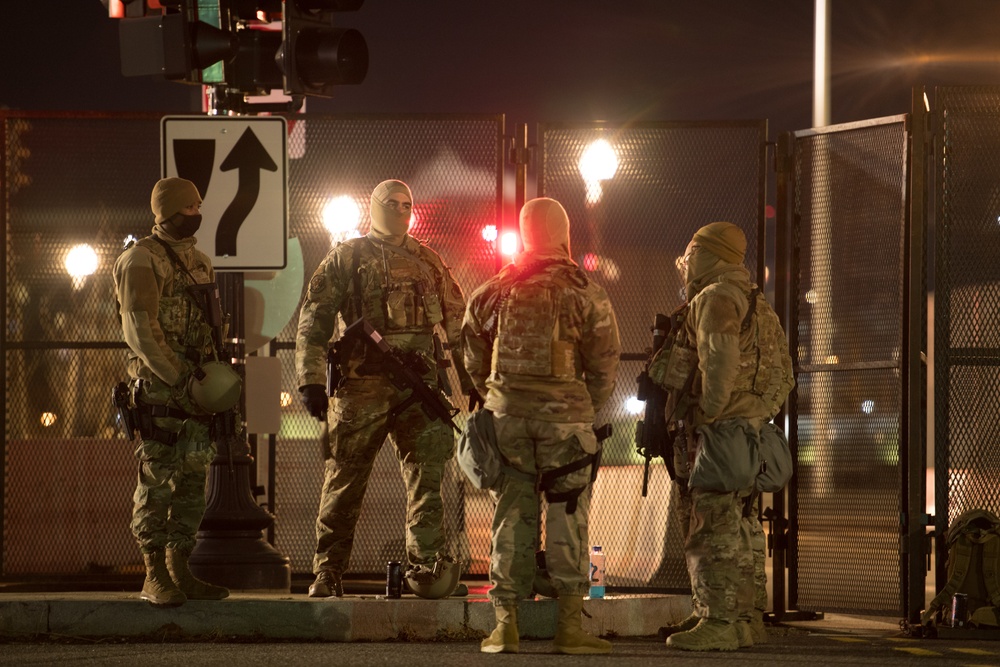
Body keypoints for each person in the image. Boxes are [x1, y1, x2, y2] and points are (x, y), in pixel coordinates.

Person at [295, 179, 476, 599]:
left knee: (428, 480)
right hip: (362, 387)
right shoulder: (347, 257)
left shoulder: (429, 261)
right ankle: (327, 572)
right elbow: (315, 319)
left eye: (406, 204)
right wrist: (308, 379)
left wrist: (469, 384)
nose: (399, 210)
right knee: (345, 480)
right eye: (390, 203)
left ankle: (427, 567)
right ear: (374, 206)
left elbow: (456, 325)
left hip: (420, 388)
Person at [461, 197, 622, 655]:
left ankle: (504, 627)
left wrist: (498, 394)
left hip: (507, 419)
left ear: (526, 235)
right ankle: (570, 627)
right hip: (566, 422)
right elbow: (605, 363)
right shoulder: (584, 289)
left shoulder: (495, 288)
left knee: (511, 516)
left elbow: (471, 350)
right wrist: (581, 404)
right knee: (568, 516)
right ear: (564, 235)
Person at [651, 221, 794, 651]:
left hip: (718, 433)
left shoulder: (715, 298)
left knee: (711, 526)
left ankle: (719, 621)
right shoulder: (755, 302)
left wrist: (708, 416)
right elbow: (783, 374)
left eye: (692, 252)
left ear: (709, 255)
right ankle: (746, 619)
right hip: (748, 432)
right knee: (743, 524)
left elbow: (719, 362)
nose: (686, 262)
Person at [113, 177, 232, 607]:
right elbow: (141, 330)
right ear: (167, 211)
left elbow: (212, 325)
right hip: (163, 392)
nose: (196, 214)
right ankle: (154, 574)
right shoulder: (140, 259)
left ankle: (181, 569)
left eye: (198, 206)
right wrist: (180, 378)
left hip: (196, 392)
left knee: (192, 482)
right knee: (156, 482)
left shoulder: (200, 261)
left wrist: (213, 379)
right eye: (189, 208)